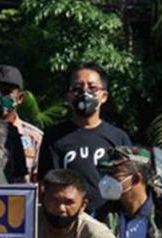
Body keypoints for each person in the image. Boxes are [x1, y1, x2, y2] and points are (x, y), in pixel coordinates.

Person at [37, 62, 132, 212]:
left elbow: (127, 183)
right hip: (68, 218)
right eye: (77, 89)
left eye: (92, 88)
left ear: (104, 96)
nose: (85, 93)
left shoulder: (118, 137)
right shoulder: (54, 136)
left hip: (108, 218)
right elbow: (47, 184)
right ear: (68, 96)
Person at [0, 64, 43, 181]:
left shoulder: (34, 137)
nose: (1, 97)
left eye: (7, 92)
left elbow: (38, 180)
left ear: (20, 98)